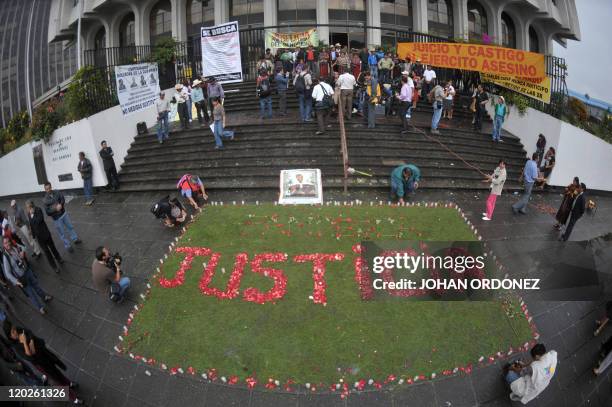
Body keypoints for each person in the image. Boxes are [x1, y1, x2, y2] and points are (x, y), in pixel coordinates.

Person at [3, 321, 83, 403]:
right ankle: (73, 398)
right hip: (40, 363)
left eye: (14, 329)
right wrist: (24, 343)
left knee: (56, 371)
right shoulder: (16, 346)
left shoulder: (19, 330)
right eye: (12, 332)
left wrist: (31, 343)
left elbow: (29, 333)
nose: (15, 332)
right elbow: (29, 357)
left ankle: (69, 383)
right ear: (9, 336)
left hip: (43, 354)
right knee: (56, 379)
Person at [2, 237, 52, 315]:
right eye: (5, 243)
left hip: (27, 270)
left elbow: (24, 246)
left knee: (36, 285)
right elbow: (7, 273)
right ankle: (40, 308)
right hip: (21, 278)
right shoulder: (6, 257)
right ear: (3, 245)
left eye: (8, 242)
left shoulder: (15, 247)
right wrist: (16, 281)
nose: (8, 244)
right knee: (31, 293)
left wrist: (22, 252)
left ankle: (44, 297)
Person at [25, 201, 63, 273]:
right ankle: (54, 266)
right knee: (47, 252)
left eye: (27, 207)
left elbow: (39, 220)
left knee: (52, 247)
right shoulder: (29, 214)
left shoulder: (38, 210)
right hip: (39, 237)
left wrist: (33, 214)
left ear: (31, 206)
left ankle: (59, 258)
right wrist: (33, 235)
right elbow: (32, 225)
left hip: (45, 234)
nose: (27, 209)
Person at [42, 183, 81, 252]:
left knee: (70, 227)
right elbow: (47, 212)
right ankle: (67, 245)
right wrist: (55, 209)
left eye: (49, 188)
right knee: (62, 233)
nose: (48, 190)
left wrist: (61, 204)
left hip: (64, 214)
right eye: (46, 189)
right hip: (56, 218)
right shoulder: (45, 200)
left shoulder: (57, 192)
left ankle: (75, 239)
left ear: (51, 187)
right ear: (45, 190)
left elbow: (62, 199)